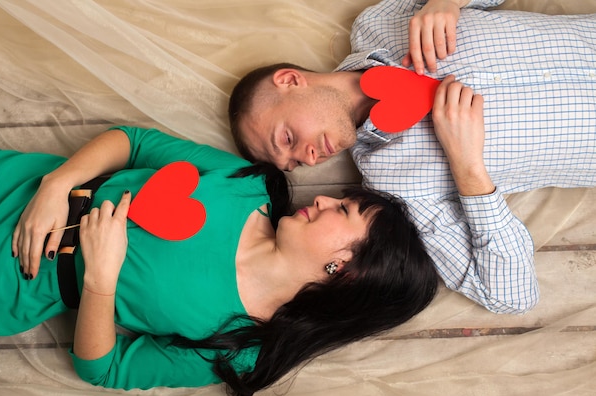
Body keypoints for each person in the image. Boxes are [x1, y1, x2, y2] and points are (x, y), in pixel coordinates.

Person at [0, 126, 438, 396]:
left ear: (345, 270)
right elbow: (133, 142)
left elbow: (102, 369)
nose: (323, 199)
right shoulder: (250, 185)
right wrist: (58, 184)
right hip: (0, 178)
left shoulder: (244, 348)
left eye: (343, 210)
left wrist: (100, 281)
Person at [228, 0, 596, 315]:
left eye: (288, 138)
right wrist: (468, 169)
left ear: (290, 80)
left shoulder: (380, 24)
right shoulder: (397, 185)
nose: (307, 158)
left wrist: (448, 1)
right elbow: (512, 297)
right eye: (293, 163)